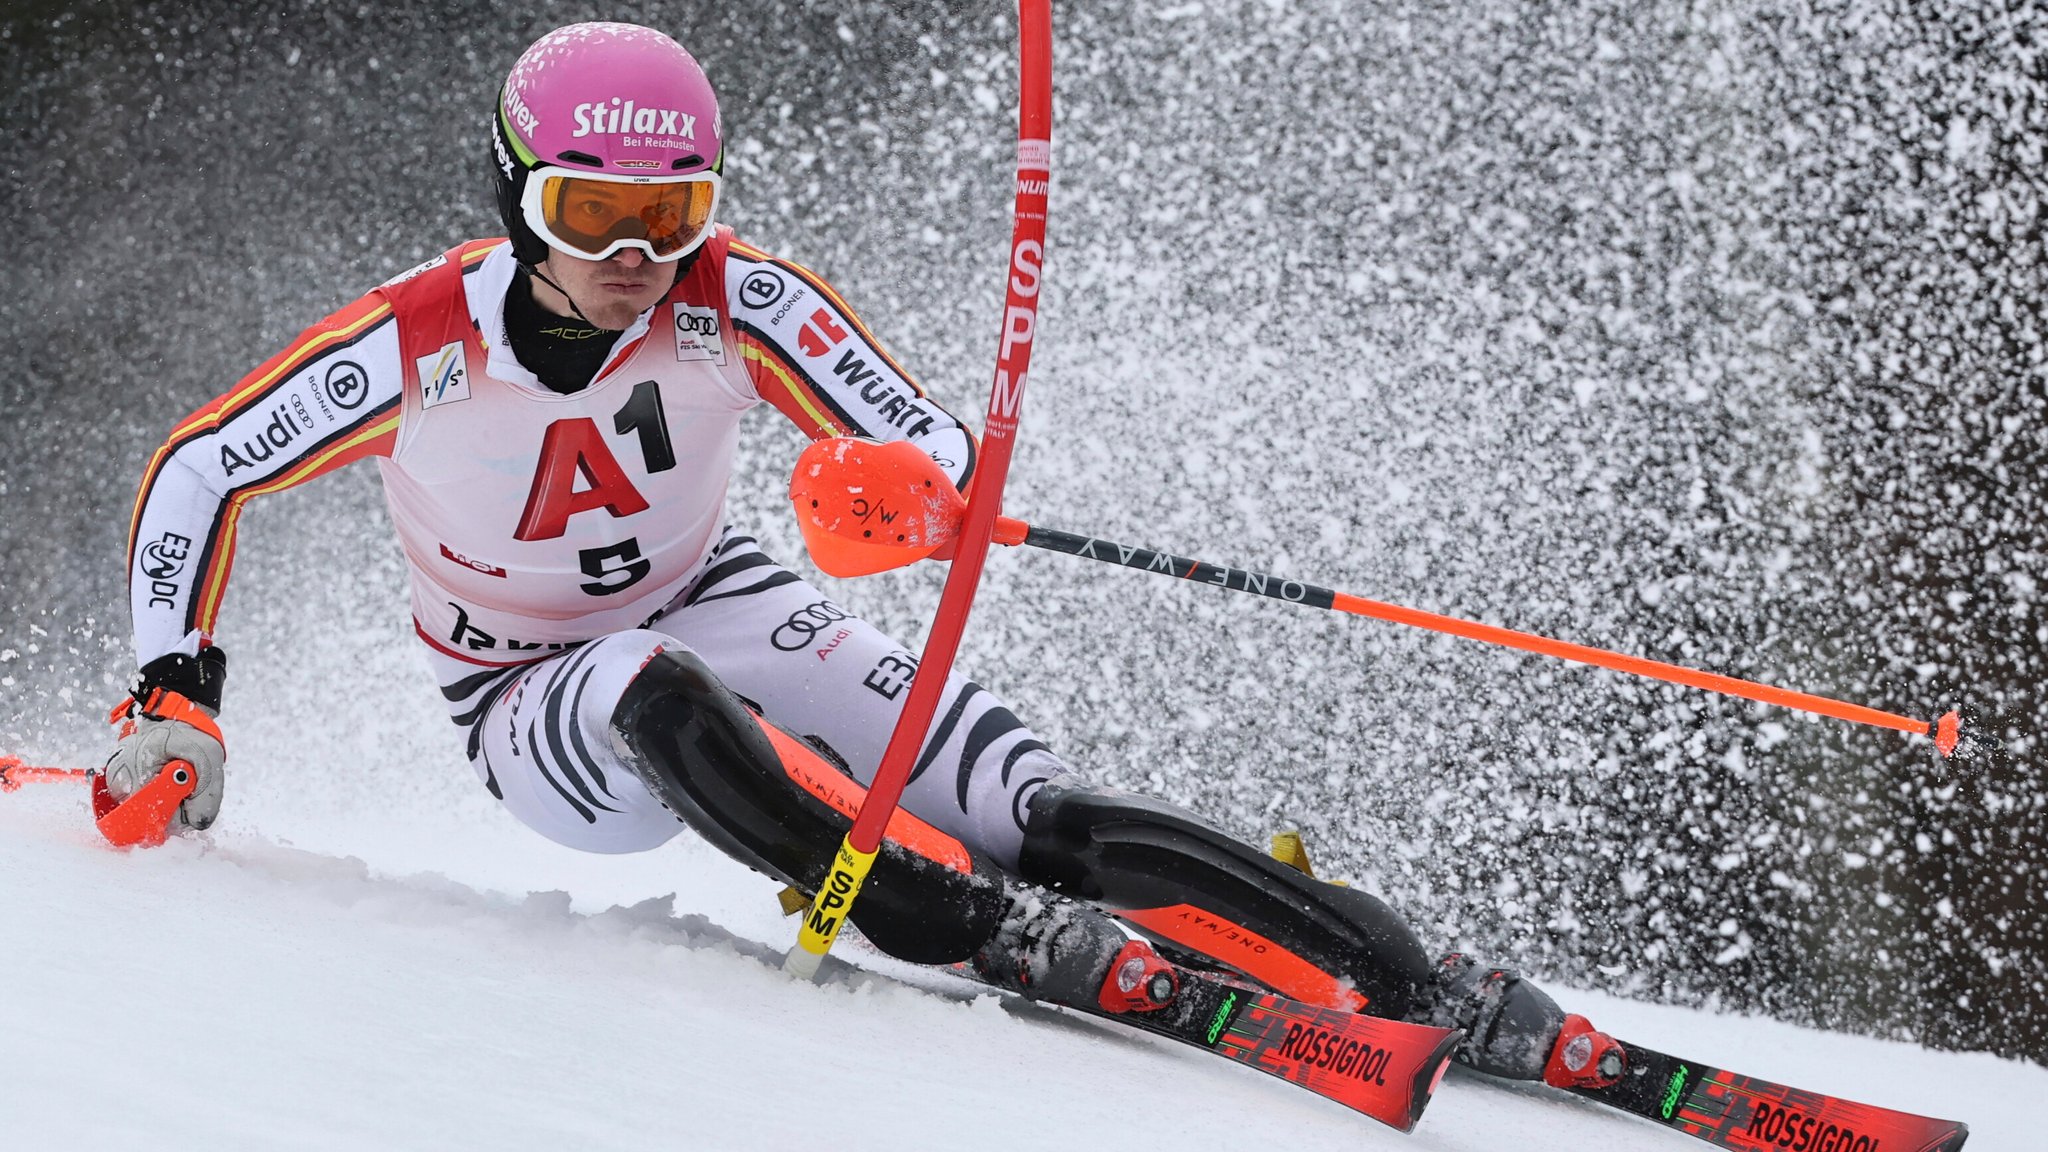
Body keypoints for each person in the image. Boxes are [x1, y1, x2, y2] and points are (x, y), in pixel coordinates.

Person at [105, 21, 1621, 1089]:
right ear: (517, 194)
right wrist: (173, 697)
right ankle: (956, 926)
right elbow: (197, 469)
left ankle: (1402, 972)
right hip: (528, 697)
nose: (635, 252)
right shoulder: (412, 343)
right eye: (593, 211)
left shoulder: (736, 299)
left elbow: (930, 439)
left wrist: (910, 494)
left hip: (725, 594)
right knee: (651, 679)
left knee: (1012, 793)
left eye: (669, 212)